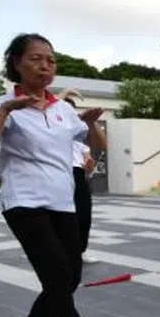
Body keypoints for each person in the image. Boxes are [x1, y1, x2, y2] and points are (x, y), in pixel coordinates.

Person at [0, 33, 111, 317]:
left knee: (69, 277)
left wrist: (91, 122)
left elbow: (100, 146)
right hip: (24, 202)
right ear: (16, 63)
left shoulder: (63, 109)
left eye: (50, 60)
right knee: (56, 275)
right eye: (35, 58)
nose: (45, 65)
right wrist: (5, 111)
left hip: (62, 202)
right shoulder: (1, 105)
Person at [58, 94, 98, 264]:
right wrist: (66, 91)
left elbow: (88, 161)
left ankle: (80, 250)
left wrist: (89, 164)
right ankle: (60, 251)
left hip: (78, 175)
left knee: (84, 213)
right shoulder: (53, 131)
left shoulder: (79, 137)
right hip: (59, 174)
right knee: (62, 215)